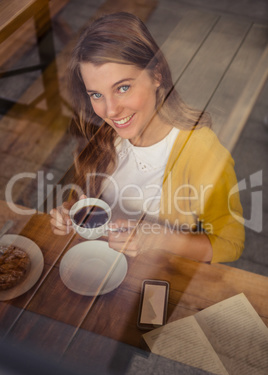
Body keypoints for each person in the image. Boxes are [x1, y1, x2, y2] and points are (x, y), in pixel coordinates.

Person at [50, 12, 244, 263]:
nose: (110, 111)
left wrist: (157, 239)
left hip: (154, 277)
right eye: (96, 95)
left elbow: (230, 243)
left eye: (123, 88)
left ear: (156, 75)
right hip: (100, 267)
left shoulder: (200, 150)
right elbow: (84, 197)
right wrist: (70, 213)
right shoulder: (103, 132)